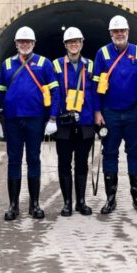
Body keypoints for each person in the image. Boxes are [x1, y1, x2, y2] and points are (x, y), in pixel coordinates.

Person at [0, 26, 59, 220]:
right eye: (21, 42)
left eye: (28, 42)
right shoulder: (7, 65)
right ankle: (13, 206)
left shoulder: (44, 63)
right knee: (14, 161)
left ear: (33, 43)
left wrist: (52, 118)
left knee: (33, 159)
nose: (24, 45)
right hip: (12, 120)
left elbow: (55, 91)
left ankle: (35, 204)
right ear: (16, 44)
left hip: (35, 119)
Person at [93, 15, 137, 215]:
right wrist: (97, 111)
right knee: (109, 153)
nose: (119, 34)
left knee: (135, 153)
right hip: (110, 113)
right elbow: (95, 85)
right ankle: (111, 198)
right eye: (115, 31)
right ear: (110, 33)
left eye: (122, 30)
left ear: (128, 32)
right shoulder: (102, 53)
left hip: (133, 113)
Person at [50, 27, 96, 216]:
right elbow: (54, 93)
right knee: (64, 163)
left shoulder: (90, 65)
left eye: (77, 41)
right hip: (64, 122)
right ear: (65, 45)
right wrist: (52, 117)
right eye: (70, 42)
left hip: (85, 120)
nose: (73, 44)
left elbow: (95, 93)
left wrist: (98, 114)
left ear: (82, 43)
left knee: (82, 162)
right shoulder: (56, 65)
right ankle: (67, 203)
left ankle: (81, 202)